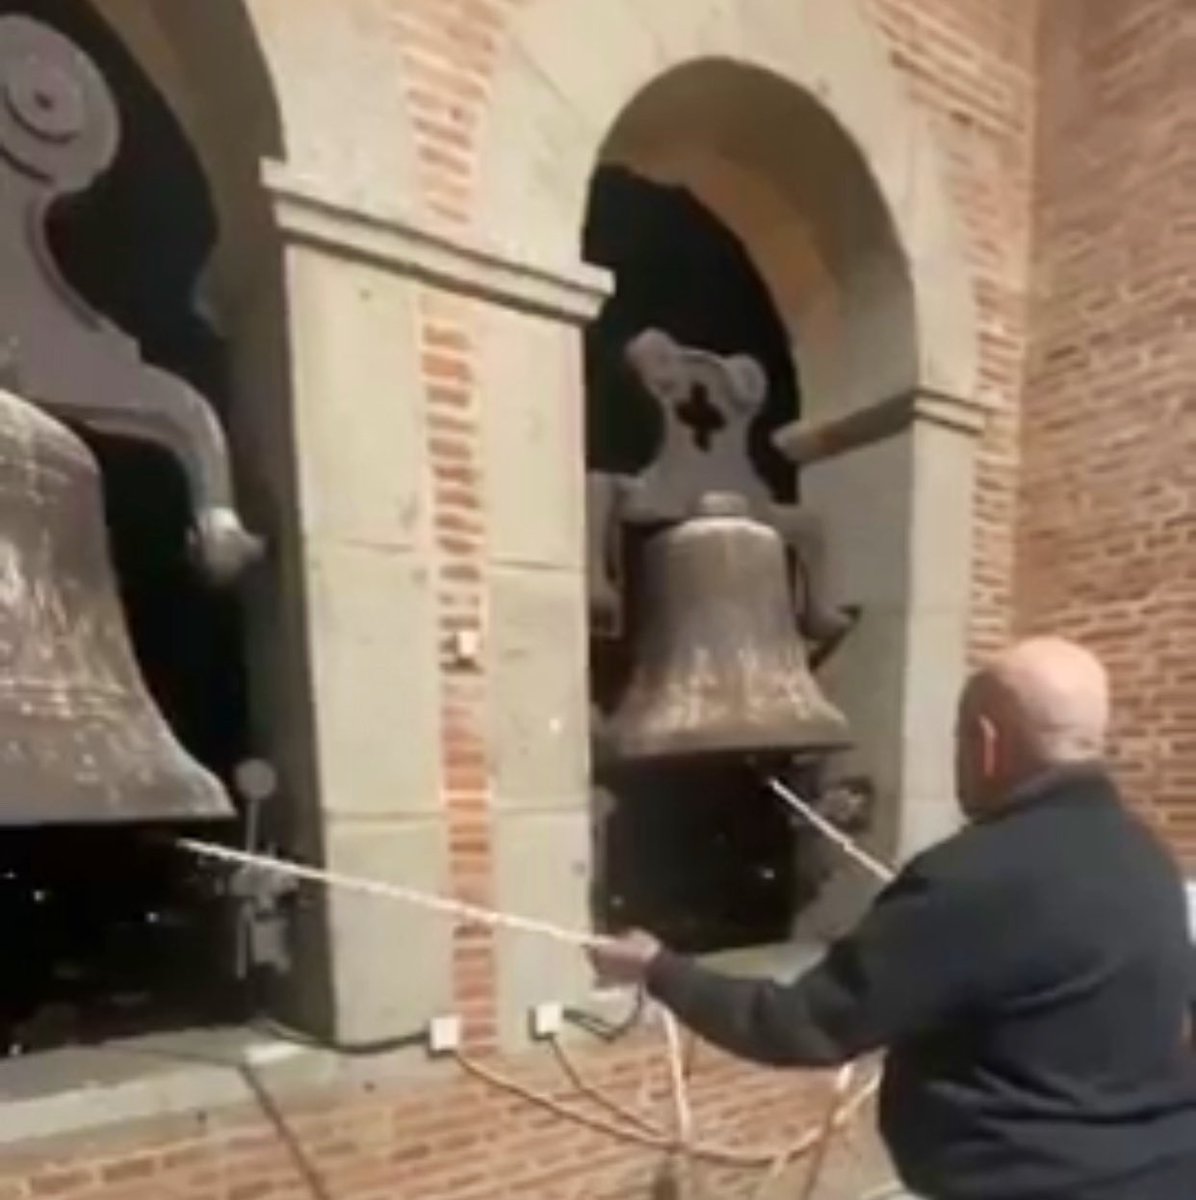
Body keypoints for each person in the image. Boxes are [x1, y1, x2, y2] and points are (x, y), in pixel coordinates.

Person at [589, 637, 1196, 1199]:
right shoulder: (1146, 860)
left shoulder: (970, 878)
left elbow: (804, 1026)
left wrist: (661, 970)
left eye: (958, 740)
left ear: (985, 743)